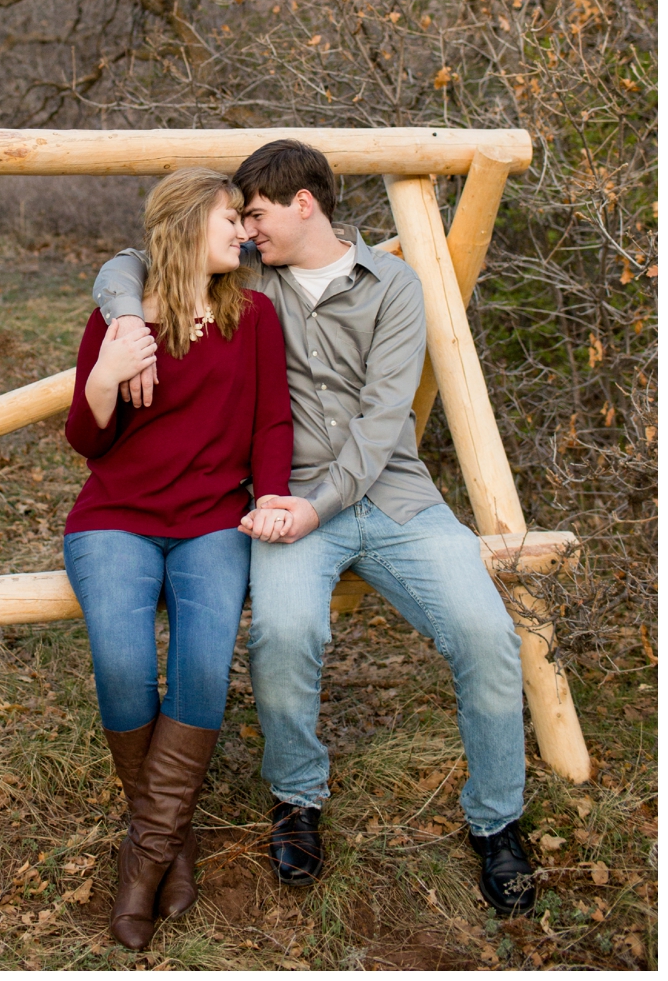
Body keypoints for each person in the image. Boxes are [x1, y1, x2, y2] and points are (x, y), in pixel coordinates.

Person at [94, 139, 538, 915]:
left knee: (488, 638)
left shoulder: (394, 285)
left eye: (256, 214)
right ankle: (298, 800)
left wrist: (316, 506)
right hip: (285, 500)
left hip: (395, 498)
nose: (247, 229)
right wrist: (128, 323)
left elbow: (381, 420)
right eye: (238, 219)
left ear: (305, 204)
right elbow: (131, 260)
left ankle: (496, 822)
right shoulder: (252, 283)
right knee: (283, 636)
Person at [63, 167, 295, 950]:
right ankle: (170, 842)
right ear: (188, 223)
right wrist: (104, 376)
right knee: (123, 664)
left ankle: (146, 856)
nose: (243, 232)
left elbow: (271, 424)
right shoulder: (123, 321)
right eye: (231, 218)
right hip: (116, 518)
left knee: (202, 664)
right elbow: (86, 439)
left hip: (212, 522)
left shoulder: (254, 317)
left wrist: (269, 496)